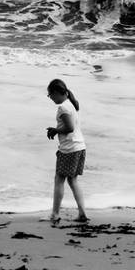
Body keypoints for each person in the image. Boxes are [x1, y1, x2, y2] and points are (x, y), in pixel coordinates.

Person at [45, 78, 88, 225]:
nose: (50, 98)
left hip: (69, 149)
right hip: (79, 147)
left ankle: (55, 214)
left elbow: (69, 128)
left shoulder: (63, 108)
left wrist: (56, 130)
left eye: (50, 95)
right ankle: (82, 213)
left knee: (59, 179)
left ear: (57, 92)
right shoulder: (72, 104)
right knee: (73, 180)